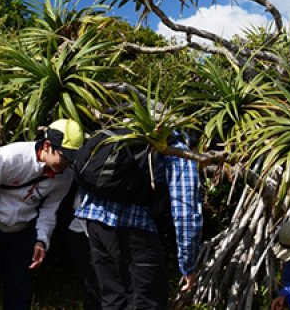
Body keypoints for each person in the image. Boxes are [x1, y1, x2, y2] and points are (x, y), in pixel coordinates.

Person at [74, 132, 203, 310]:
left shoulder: (121, 131)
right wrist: (188, 264)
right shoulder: (175, 148)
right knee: (148, 302)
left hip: (95, 224)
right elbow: (185, 210)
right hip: (135, 229)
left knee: (112, 301)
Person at [0, 118, 84, 310]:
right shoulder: (8, 157)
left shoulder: (65, 176)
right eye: (64, 157)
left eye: (72, 160)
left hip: (22, 235)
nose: (67, 164)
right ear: (47, 146)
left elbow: (49, 210)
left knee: (19, 295)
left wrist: (41, 240)